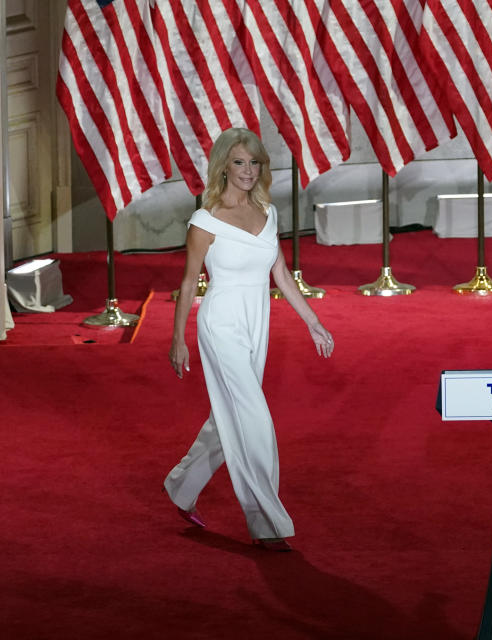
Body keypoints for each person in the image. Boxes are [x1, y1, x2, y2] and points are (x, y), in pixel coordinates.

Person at [162, 128, 333, 552]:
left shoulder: (268, 214)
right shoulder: (204, 221)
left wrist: (312, 321)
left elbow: (281, 275)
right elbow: (188, 284)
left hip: (258, 322)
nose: (247, 170)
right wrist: (178, 339)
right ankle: (267, 523)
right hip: (220, 324)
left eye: (254, 162)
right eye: (239, 162)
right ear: (224, 166)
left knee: (228, 418)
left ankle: (182, 485)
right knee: (254, 419)